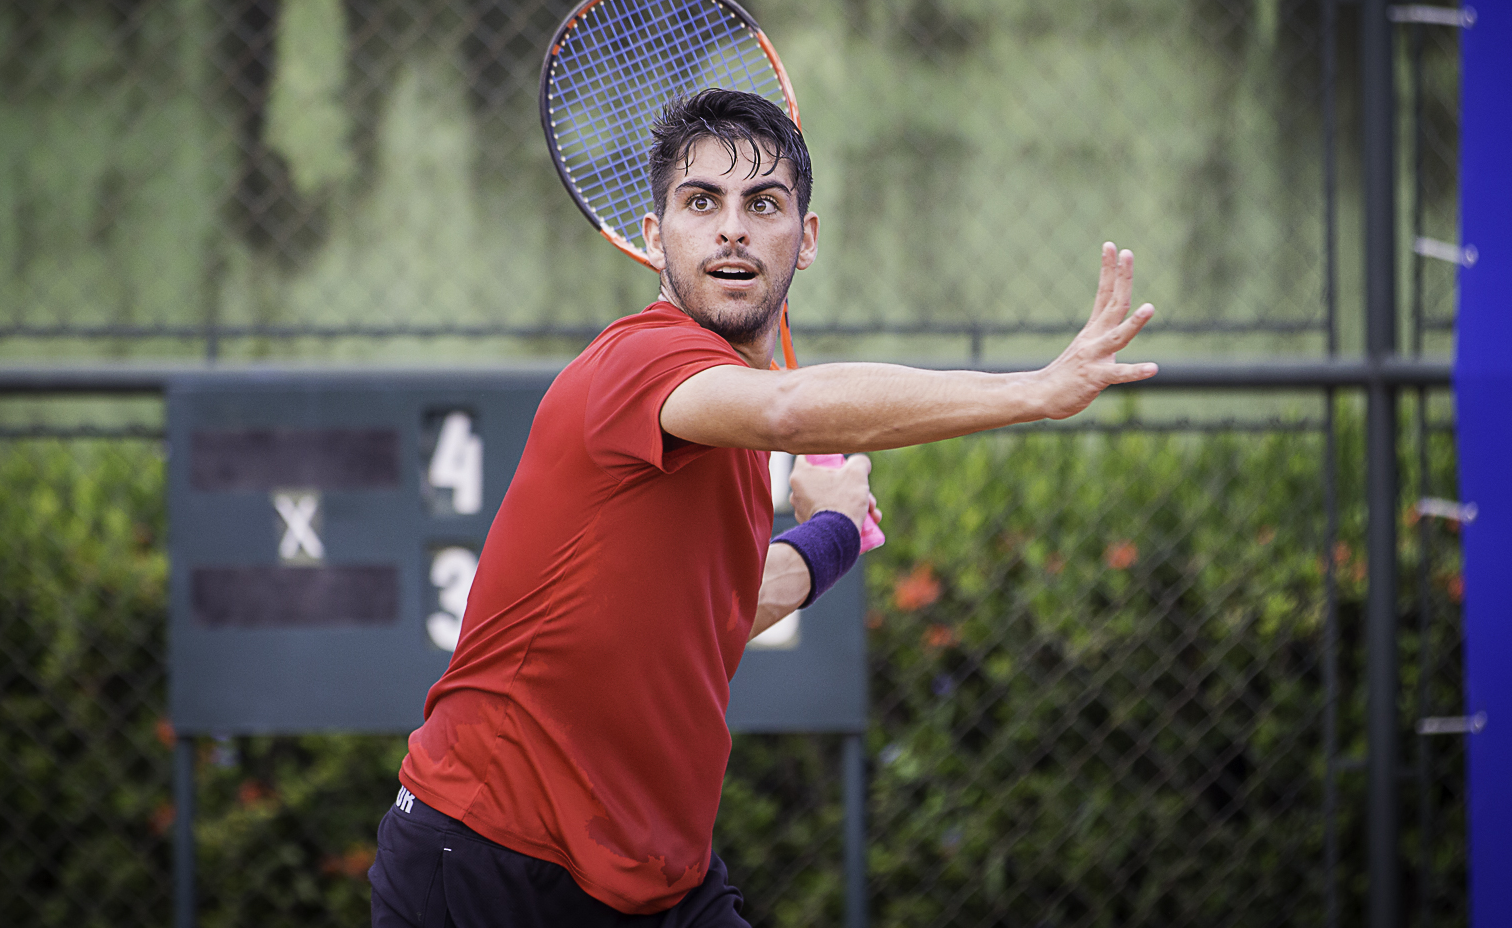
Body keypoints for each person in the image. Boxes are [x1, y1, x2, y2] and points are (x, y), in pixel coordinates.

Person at [369, 89, 1157, 927]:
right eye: (700, 202)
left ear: (805, 239)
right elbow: (787, 410)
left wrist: (831, 535)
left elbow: (721, 613)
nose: (732, 228)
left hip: (652, 876)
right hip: (490, 855)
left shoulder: (726, 435)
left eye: (763, 203)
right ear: (651, 239)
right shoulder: (640, 361)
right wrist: (1036, 389)